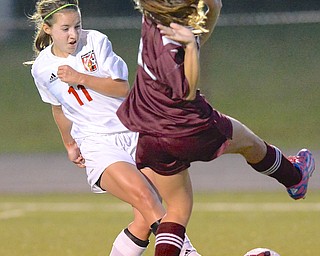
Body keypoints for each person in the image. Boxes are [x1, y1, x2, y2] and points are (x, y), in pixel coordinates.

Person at [116, 0, 316, 255]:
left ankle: (294, 177)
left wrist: (213, 10)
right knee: (248, 141)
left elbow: (197, 30)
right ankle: (294, 177)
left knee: (176, 209)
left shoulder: (153, 17)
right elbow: (185, 90)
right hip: (185, 125)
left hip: (149, 130)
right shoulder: (175, 41)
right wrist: (189, 45)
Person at [28, 0, 200, 255]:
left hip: (134, 133)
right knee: (147, 200)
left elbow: (121, 88)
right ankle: (189, 253)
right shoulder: (42, 68)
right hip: (97, 143)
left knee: (144, 220)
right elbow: (58, 108)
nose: (74, 34)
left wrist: (80, 78)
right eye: (65, 29)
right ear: (47, 28)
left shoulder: (95, 42)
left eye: (77, 26)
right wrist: (70, 144)